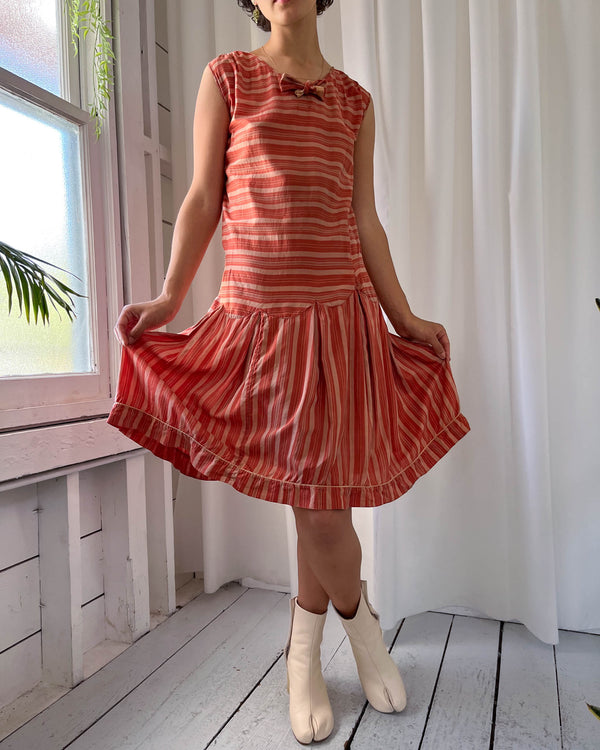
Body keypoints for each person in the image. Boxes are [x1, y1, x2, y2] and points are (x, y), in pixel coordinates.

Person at [109, 0, 470, 743]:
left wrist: (403, 317)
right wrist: (171, 297)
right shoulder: (228, 77)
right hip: (260, 321)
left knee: (319, 499)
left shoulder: (355, 102)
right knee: (319, 503)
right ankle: (361, 629)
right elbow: (204, 196)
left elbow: (364, 220)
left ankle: (303, 652)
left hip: (341, 319)